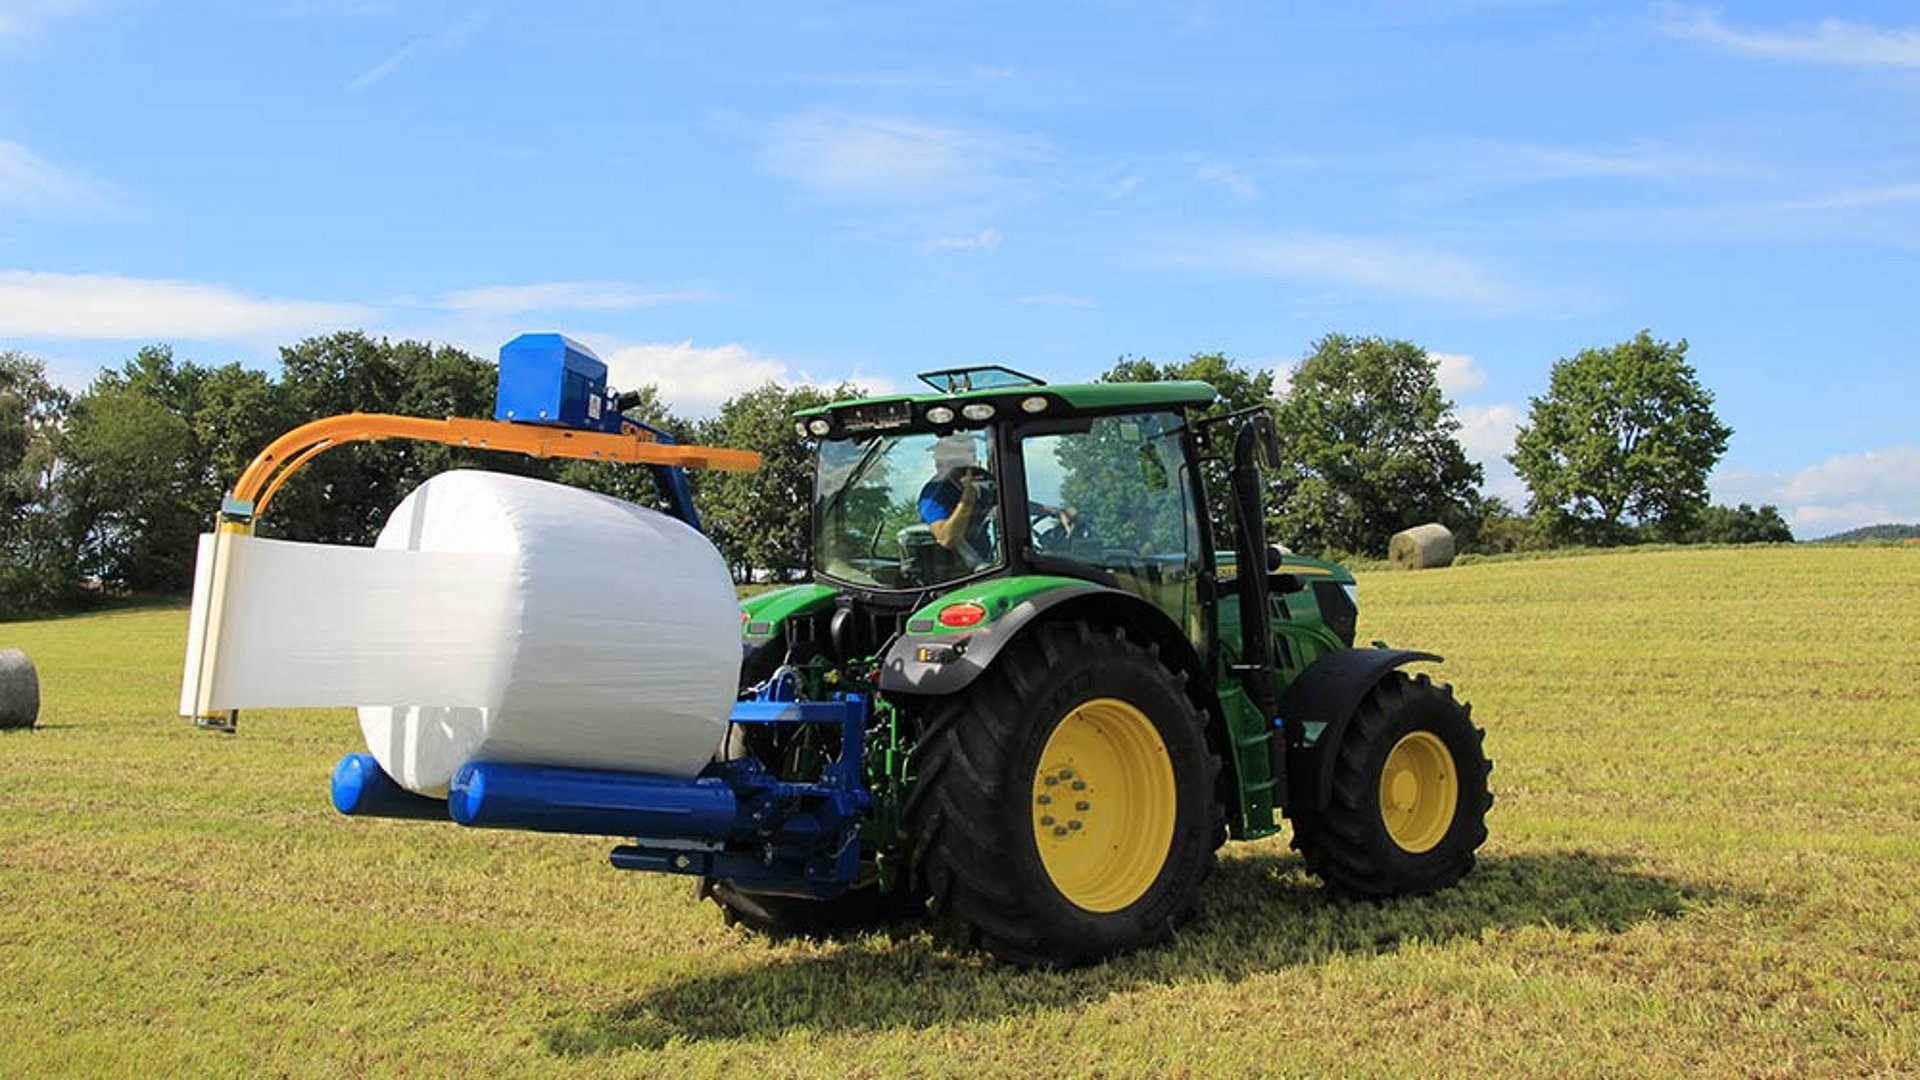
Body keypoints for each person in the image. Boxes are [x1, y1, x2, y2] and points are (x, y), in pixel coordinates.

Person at [919, 434, 997, 568]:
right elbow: (946, 539)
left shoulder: (984, 480)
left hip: (990, 561)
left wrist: (1044, 510)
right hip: (954, 573)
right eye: (938, 455)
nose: (936, 459)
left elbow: (1011, 505)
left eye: (942, 455)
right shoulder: (935, 493)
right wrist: (966, 502)